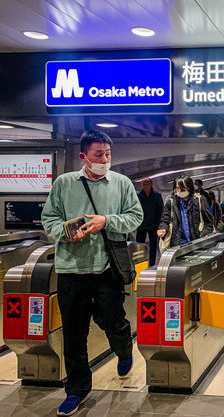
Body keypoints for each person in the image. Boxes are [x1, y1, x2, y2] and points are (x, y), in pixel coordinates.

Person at [41, 130, 143, 416]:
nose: (105, 159)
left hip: (107, 269)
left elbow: (135, 217)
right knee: (74, 333)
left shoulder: (121, 183)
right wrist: (65, 232)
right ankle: (77, 389)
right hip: (71, 269)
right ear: (83, 156)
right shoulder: (64, 184)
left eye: (108, 154)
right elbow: (49, 219)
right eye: (99, 154)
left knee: (113, 322)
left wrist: (106, 221)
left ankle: (124, 349)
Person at [157, 176, 203, 248]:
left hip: (196, 243)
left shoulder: (199, 201)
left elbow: (208, 223)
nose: (179, 191)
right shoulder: (171, 202)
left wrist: (203, 237)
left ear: (189, 188)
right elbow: (165, 220)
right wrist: (163, 228)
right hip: (179, 244)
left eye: (182, 189)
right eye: (177, 188)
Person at [136, 177, 164, 266]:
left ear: (151, 184)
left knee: (153, 246)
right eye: (144, 183)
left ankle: (152, 264)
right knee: (139, 246)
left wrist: (159, 224)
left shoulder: (157, 195)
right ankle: (140, 263)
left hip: (153, 225)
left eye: (147, 183)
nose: (145, 185)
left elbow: (160, 210)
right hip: (141, 225)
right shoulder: (138, 196)